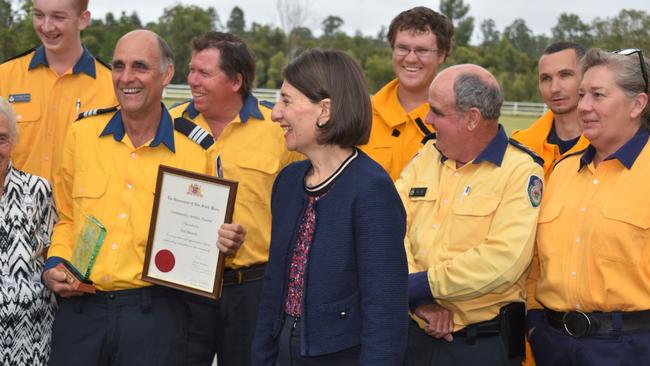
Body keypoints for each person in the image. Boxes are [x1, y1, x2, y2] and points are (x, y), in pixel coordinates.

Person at [41, 30, 245, 366]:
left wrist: (225, 242)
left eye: (140, 66)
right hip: (82, 311)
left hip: (156, 315)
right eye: (118, 66)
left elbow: (208, 239)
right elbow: (67, 218)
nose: (126, 77)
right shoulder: (82, 134)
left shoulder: (198, 151)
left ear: (166, 74)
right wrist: (54, 264)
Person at [252, 49, 409, 365]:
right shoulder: (288, 183)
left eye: (286, 101)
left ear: (324, 110)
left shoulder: (371, 190)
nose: (275, 114)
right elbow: (273, 289)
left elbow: (385, 310)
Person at [396, 64, 544, 366]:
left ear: (473, 118)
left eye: (437, 112)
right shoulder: (426, 155)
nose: (427, 120)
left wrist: (420, 285)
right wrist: (418, 299)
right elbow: (390, 226)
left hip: (480, 347)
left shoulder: (520, 172)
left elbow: (503, 261)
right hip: (412, 335)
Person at [169, 31, 301, 366]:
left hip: (252, 289)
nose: (193, 80)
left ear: (236, 81)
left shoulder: (279, 130)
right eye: (192, 70)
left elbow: (303, 209)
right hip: (181, 287)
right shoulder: (169, 125)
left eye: (205, 74)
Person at [526, 48, 650, 365]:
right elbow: (535, 265)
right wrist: (535, 327)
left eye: (598, 95)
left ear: (638, 104)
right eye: (582, 95)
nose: (583, 107)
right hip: (552, 345)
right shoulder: (560, 172)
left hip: (632, 348)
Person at [0, 0, 116, 182]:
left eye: (58, 17)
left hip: (76, 208)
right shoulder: (5, 76)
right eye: (39, 15)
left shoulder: (112, 86)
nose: (46, 26)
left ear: (83, 20)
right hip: (13, 207)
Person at [360, 6, 454, 181]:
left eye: (422, 50)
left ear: (441, 54)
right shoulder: (361, 115)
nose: (410, 58)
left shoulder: (457, 121)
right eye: (403, 48)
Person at [0, 97, 56, 365]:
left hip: (31, 342)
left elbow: (54, 255)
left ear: (13, 141)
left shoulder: (38, 190)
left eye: (1, 138)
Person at [512, 42, 590, 180]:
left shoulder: (609, 146)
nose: (554, 88)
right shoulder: (520, 148)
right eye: (546, 78)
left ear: (587, 77)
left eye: (565, 75)